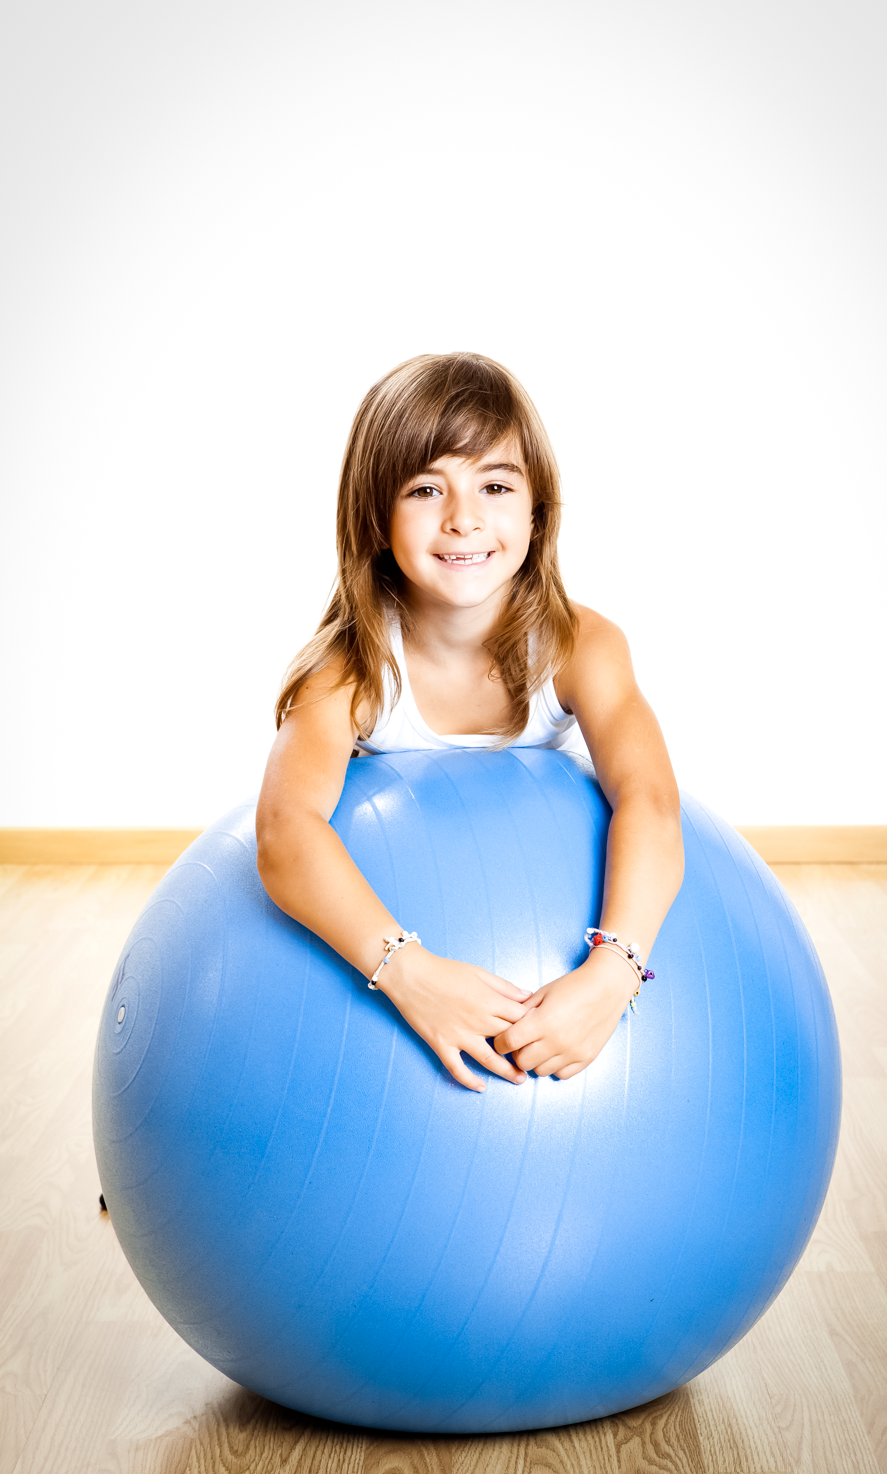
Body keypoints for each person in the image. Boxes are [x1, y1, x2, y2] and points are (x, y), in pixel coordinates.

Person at [257, 352, 684, 1093]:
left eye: (494, 485)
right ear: (375, 516)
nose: (463, 519)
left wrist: (616, 973)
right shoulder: (349, 669)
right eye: (425, 488)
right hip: (369, 976)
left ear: (535, 509)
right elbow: (285, 831)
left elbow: (648, 800)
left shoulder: (582, 647)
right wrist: (409, 974)